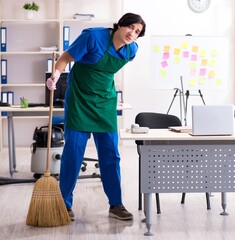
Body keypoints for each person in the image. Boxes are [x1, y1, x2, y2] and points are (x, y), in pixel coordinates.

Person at [46, 12, 146, 221]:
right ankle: (64, 203)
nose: (132, 33)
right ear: (121, 24)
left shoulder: (131, 50)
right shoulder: (93, 37)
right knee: (73, 153)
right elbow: (65, 58)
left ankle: (116, 204)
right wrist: (55, 75)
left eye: (137, 32)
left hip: (105, 103)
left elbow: (105, 72)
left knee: (111, 155)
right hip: (80, 100)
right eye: (131, 28)